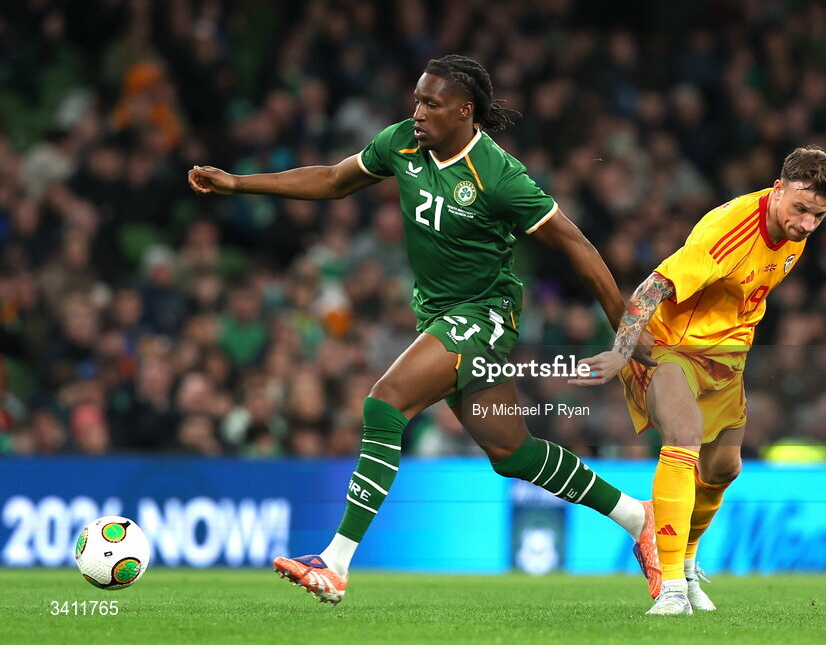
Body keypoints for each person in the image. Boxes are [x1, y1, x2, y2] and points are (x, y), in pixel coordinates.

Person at [188, 55, 658, 605]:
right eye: (416, 100)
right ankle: (637, 516)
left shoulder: (499, 176)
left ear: (464, 111)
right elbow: (333, 179)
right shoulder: (402, 146)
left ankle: (335, 561)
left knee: (384, 403)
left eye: (430, 104)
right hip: (439, 314)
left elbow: (579, 246)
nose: (417, 112)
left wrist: (624, 332)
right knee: (513, 453)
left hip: (484, 314)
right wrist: (238, 184)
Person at [572, 148, 826, 615]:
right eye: (800, 209)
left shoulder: (798, 230)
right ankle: (672, 586)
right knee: (684, 437)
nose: (807, 224)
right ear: (778, 189)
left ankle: (689, 562)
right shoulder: (730, 231)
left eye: (819, 215)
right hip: (671, 347)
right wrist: (621, 352)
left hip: (727, 356)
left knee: (723, 469)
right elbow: (652, 287)